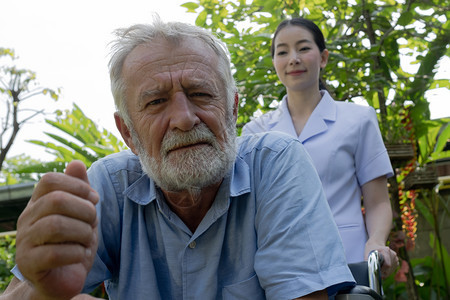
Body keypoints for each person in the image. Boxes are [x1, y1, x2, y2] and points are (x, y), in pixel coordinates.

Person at [0, 17, 355, 300]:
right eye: (155, 102)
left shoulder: (275, 164)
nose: (185, 119)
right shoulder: (107, 185)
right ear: (128, 134)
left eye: (201, 94)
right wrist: (39, 289)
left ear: (232, 111)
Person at [242, 17, 398, 278]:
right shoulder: (255, 133)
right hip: (279, 268)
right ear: (275, 63)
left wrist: (376, 242)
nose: (293, 58)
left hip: (348, 261)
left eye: (303, 48)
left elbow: (378, 201)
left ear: (323, 58)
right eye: (282, 52)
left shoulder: (358, 120)